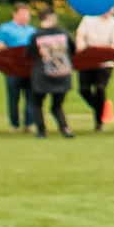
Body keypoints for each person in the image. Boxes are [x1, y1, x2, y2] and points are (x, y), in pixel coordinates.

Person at [75, 4, 114, 132]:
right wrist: (81, 50)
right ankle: (99, 108)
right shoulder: (88, 19)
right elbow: (80, 36)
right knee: (84, 90)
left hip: (105, 62)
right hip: (88, 60)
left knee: (100, 88)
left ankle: (99, 122)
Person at [29, 8, 76, 139]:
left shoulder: (37, 36)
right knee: (57, 105)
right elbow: (73, 50)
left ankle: (41, 131)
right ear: (50, 17)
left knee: (37, 103)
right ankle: (65, 129)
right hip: (63, 74)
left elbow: (29, 53)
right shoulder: (64, 34)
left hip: (42, 75)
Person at [0, 4, 36, 130]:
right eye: (23, 14)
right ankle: (14, 123)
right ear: (15, 14)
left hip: (29, 69)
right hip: (13, 69)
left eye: (27, 15)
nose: (25, 17)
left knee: (31, 97)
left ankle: (29, 123)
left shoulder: (32, 30)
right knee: (13, 97)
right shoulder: (5, 28)